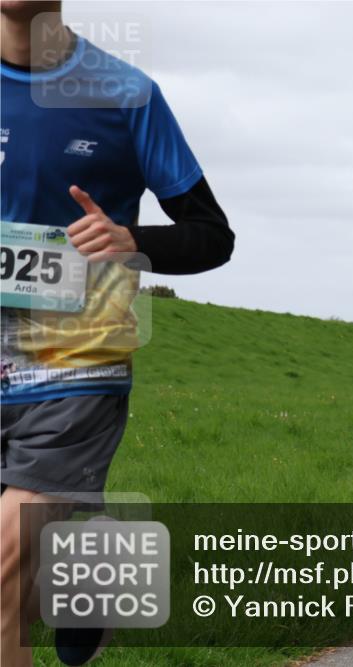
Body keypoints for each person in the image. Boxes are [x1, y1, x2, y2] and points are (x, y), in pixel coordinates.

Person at [1, 3, 234, 665]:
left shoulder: (127, 94)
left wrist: (131, 238)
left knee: (2, 578)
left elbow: (214, 236)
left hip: (74, 365)